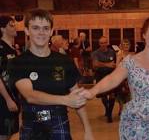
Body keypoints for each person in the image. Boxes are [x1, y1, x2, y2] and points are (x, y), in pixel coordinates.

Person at [80, 15, 149, 139]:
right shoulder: (131, 62)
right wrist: (92, 91)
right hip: (137, 125)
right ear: (144, 34)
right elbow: (113, 78)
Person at [8, 9, 94, 140]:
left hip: (59, 121)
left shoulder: (64, 61)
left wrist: (88, 130)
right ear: (26, 31)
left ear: (51, 31)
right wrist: (65, 100)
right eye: (35, 28)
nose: (41, 32)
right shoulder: (18, 62)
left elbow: (76, 97)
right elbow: (30, 96)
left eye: (45, 28)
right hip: (31, 124)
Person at [0, 15, 19, 140]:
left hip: (13, 96)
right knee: (3, 134)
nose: (15, 27)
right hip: (3, 99)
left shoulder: (13, 49)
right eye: (11, 25)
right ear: (2, 29)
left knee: (9, 133)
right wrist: (7, 99)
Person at [91, 36, 116, 123]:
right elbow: (95, 64)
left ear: (107, 43)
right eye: (101, 43)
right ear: (99, 44)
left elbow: (114, 64)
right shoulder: (95, 53)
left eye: (104, 42)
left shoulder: (112, 52)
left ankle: (109, 114)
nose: (103, 44)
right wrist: (107, 65)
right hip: (100, 76)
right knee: (103, 96)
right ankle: (107, 108)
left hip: (110, 76)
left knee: (112, 95)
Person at [115, 39, 132, 115]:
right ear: (121, 46)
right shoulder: (119, 54)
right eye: (124, 45)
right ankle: (121, 108)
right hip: (121, 76)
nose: (126, 46)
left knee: (129, 93)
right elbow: (117, 65)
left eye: (127, 45)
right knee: (120, 93)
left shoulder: (131, 55)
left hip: (129, 77)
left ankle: (128, 109)